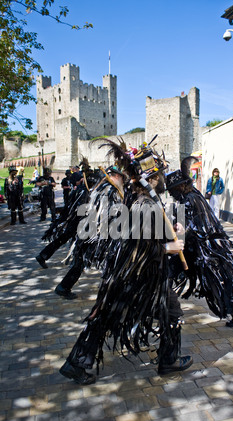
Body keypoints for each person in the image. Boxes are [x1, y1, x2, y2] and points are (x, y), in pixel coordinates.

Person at [59, 138, 193, 385]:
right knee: (167, 312)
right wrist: (169, 247)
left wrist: (171, 228)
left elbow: (148, 233)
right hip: (139, 277)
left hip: (140, 276)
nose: (164, 178)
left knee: (113, 315)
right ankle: (168, 361)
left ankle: (77, 362)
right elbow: (138, 247)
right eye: (161, 174)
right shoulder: (144, 204)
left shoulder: (148, 201)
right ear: (152, 178)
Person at [166, 157, 233, 329]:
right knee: (169, 272)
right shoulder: (189, 196)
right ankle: (162, 304)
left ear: (179, 186)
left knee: (216, 283)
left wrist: (180, 231)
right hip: (193, 247)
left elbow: (194, 225)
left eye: (172, 190)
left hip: (206, 250)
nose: (170, 193)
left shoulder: (190, 198)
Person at [54, 166, 123, 299]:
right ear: (116, 176)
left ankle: (64, 287)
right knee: (85, 262)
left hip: (91, 231)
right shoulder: (108, 190)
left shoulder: (103, 187)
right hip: (93, 233)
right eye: (121, 177)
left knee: (82, 262)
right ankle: (63, 287)